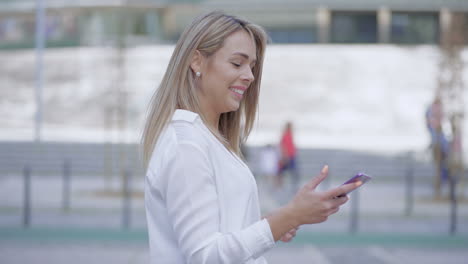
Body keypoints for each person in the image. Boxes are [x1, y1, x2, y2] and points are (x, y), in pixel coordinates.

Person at [141, 11, 361, 264]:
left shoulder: (206, 138)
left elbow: (216, 232)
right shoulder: (187, 145)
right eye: (237, 63)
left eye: (252, 66)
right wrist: (287, 217)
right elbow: (206, 256)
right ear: (197, 61)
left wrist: (274, 222)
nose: (250, 76)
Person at [425, 96, 450, 198]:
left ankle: (442, 179)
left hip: (441, 145)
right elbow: (431, 123)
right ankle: (441, 180)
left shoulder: (439, 133)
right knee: (440, 164)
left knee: (442, 164)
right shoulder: (431, 113)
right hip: (438, 144)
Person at [277, 122, 300, 190]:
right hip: (288, 156)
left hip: (291, 156)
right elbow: (283, 146)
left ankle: (291, 186)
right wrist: (285, 156)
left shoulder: (290, 135)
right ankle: (280, 185)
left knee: (292, 171)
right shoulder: (285, 135)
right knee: (282, 171)